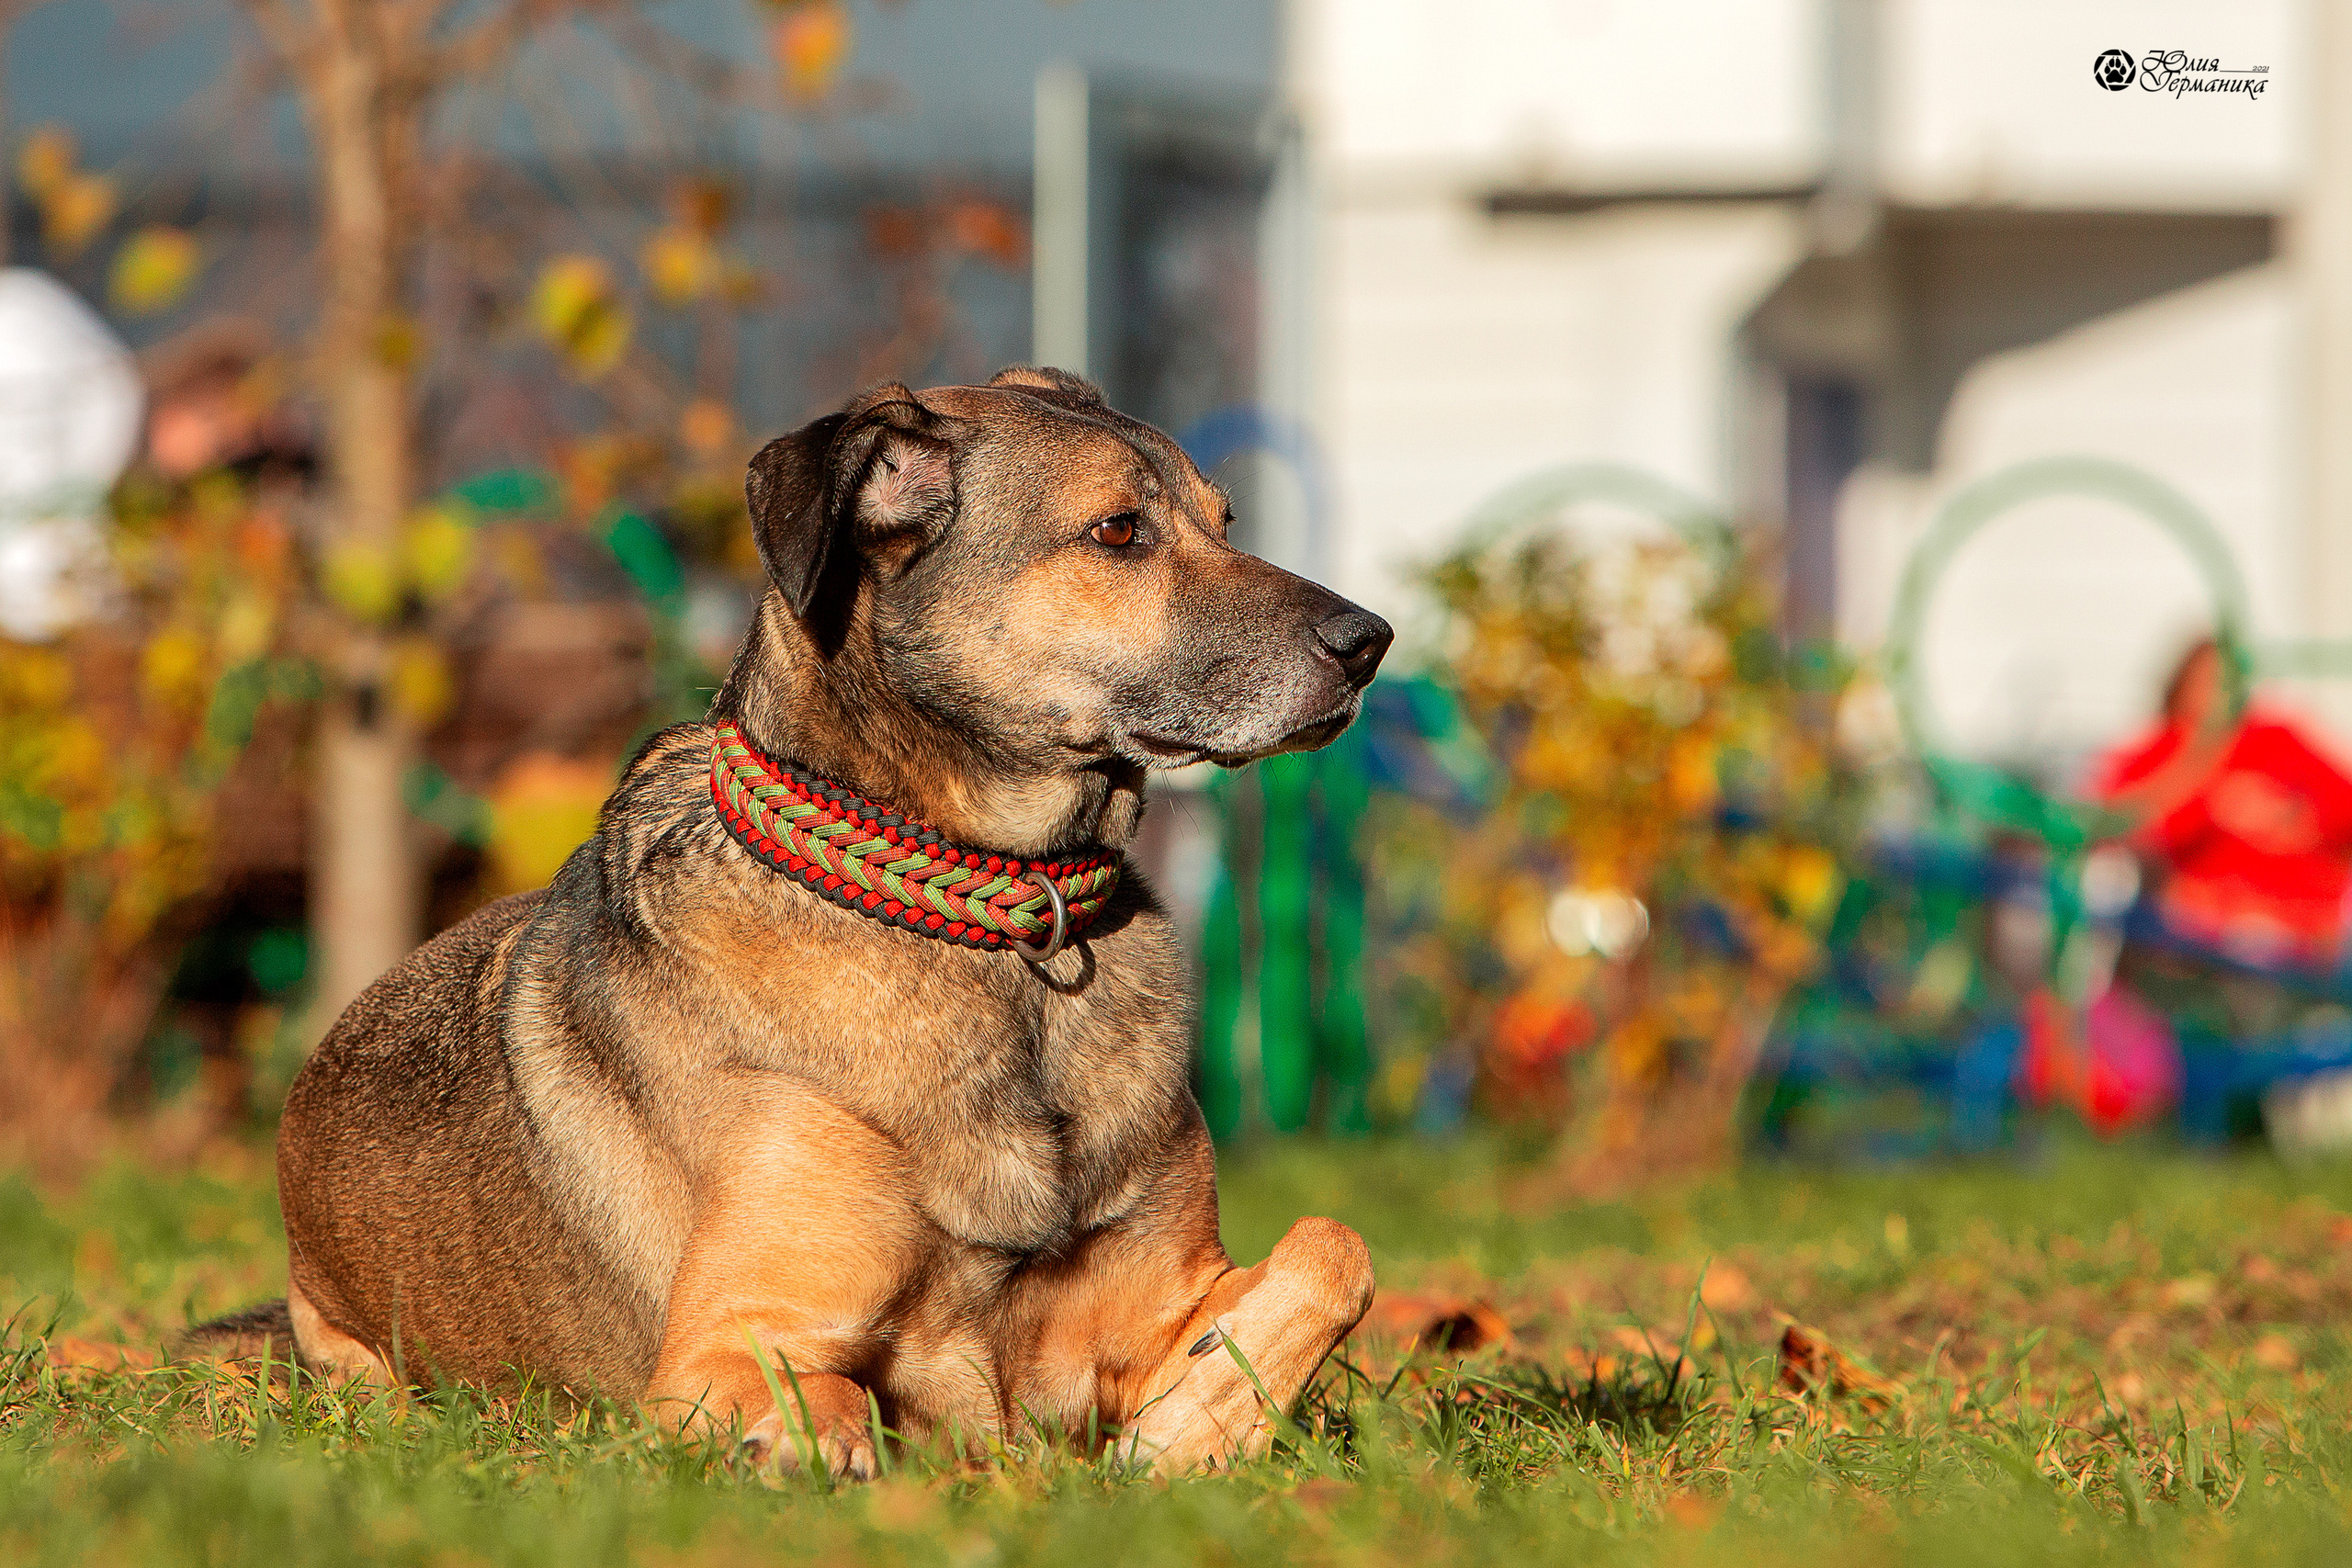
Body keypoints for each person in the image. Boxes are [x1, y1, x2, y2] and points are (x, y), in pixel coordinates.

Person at [2090, 637, 2352, 968]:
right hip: (2204, 932)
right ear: (2181, 685)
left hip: (2307, 927)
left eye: (2225, 680)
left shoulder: (2276, 738)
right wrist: (2214, 806)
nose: (2215, 692)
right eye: (2204, 680)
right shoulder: (2154, 755)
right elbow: (2115, 827)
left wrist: (2291, 814)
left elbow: (2343, 806)